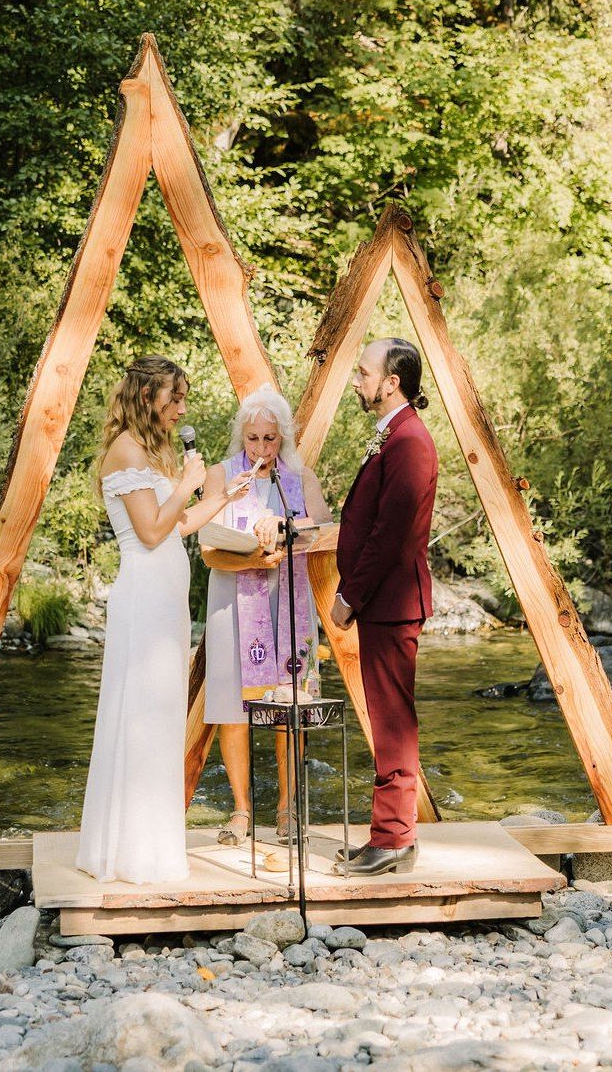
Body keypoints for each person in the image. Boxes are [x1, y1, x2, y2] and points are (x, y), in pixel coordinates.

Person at [77, 356, 256, 884]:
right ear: (146, 395)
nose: (180, 409)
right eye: (173, 398)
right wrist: (187, 482)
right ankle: (130, 853)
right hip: (143, 598)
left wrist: (222, 495)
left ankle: (150, 846)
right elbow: (151, 532)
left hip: (166, 599)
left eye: (182, 399)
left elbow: (178, 525)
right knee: (142, 714)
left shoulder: (151, 451)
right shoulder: (125, 451)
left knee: (162, 715)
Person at [201, 386, 332, 846]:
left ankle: (287, 808)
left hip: (288, 603)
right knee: (232, 707)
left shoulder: (300, 478)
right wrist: (253, 557)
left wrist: (284, 526)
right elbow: (208, 549)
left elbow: (323, 529)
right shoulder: (220, 475)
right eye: (253, 438)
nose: (260, 449)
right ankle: (240, 809)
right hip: (231, 601)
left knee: (290, 703)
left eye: (270, 439)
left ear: (283, 438)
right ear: (241, 436)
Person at [331, 338, 438, 877]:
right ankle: (393, 835)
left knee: (393, 722)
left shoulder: (409, 442)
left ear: (391, 382)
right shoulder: (394, 435)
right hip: (385, 603)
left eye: (363, 372)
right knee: (386, 718)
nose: (356, 381)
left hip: (390, 603)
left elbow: (390, 536)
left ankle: (393, 838)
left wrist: (349, 596)